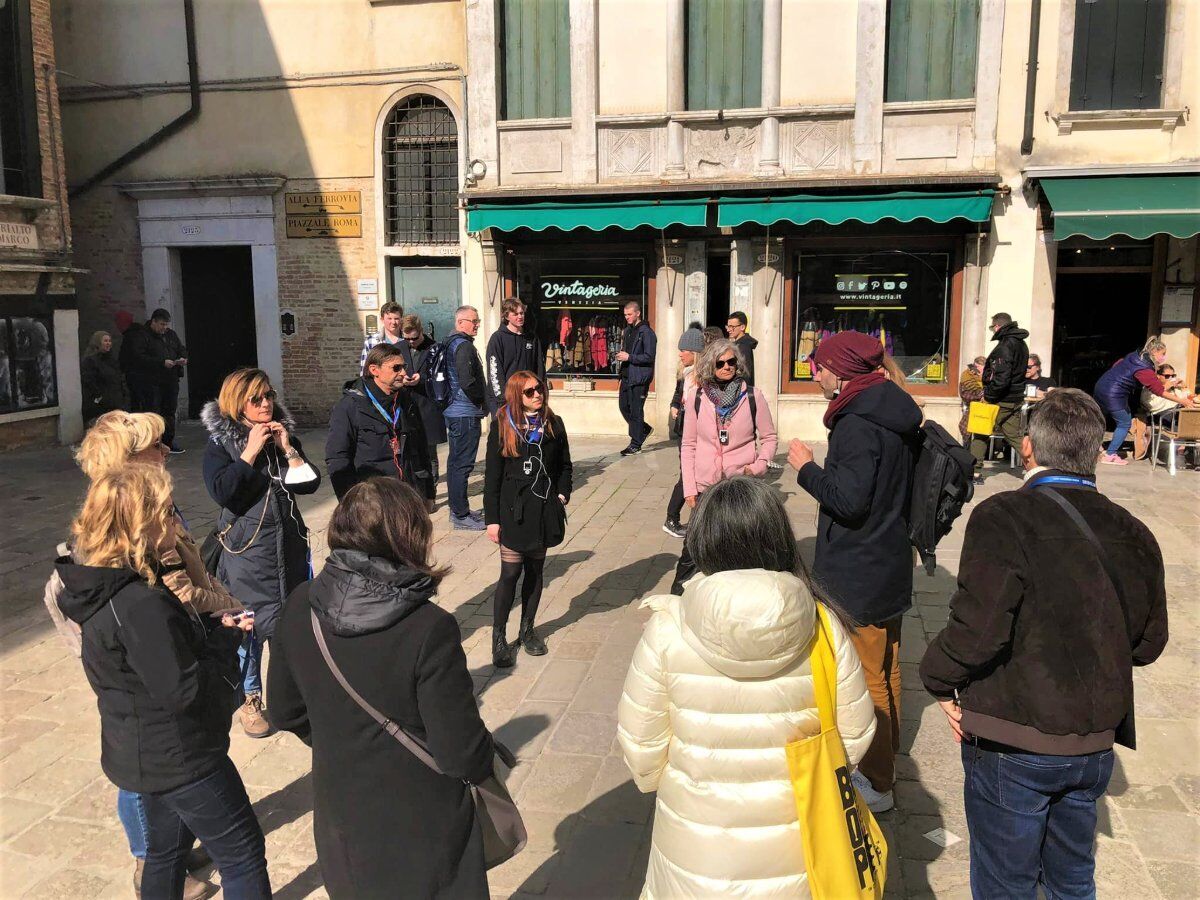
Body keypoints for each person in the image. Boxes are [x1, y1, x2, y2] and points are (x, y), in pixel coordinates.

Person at [920, 388, 1168, 899]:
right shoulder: (1136, 532)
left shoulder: (1004, 516)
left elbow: (977, 632)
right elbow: (1147, 644)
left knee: (1005, 883)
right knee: (1073, 880)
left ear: (1028, 448)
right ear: (1094, 451)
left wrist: (937, 679)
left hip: (1016, 736)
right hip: (1093, 742)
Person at [618, 477, 876, 899]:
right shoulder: (823, 624)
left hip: (695, 852)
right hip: (801, 850)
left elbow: (642, 755)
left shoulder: (667, 629)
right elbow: (856, 736)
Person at [268, 478, 497, 899]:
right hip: (422, 821)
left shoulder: (300, 603)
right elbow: (460, 753)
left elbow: (283, 710)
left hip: (342, 816)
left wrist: (343, 740)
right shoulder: (429, 628)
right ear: (411, 537)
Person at [43, 411, 239, 900]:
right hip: (149, 657)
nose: (166, 452)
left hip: (164, 643)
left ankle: (169, 845)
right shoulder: (129, 522)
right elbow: (173, 593)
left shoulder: (152, 508)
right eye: (155, 447)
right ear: (128, 462)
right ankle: (147, 858)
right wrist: (228, 613)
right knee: (142, 762)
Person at [787, 330, 921, 813]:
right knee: (886, 667)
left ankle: (877, 780)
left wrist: (806, 468)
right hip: (888, 559)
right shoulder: (891, 406)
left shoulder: (858, 422)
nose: (814, 373)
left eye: (818, 366)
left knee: (868, 676)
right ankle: (885, 764)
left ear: (839, 371)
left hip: (860, 568)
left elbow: (849, 500)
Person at [202, 368, 321, 737]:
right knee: (250, 628)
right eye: (256, 399)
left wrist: (289, 451)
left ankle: (294, 693)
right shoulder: (221, 445)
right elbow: (224, 492)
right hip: (246, 552)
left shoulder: (282, 436)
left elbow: (311, 485)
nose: (266, 403)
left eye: (269, 395)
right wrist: (250, 453)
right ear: (238, 403)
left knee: (289, 622)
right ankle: (250, 697)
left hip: (287, 547)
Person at [671, 339, 777, 594]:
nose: (728, 367)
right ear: (710, 365)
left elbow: (770, 438)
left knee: (742, 548)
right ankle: (678, 599)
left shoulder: (753, 396)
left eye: (732, 362)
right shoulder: (697, 396)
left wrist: (758, 466)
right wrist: (689, 488)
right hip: (705, 486)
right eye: (721, 363)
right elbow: (688, 445)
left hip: (740, 485)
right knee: (694, 549)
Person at [483, 371, 573, 667]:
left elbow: (565, 466)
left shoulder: (553, 423)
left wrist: (561, 496)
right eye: (531, 392)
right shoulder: (503, 425)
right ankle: (499, 637)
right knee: (510, 574)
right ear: (516, 396)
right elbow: (492, 478)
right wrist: (492, 520)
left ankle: (527, 630)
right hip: (513, 511)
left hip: (543, 510)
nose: (539, 395)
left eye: (541, 389)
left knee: (535, 572)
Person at [326, 343, 431, 501]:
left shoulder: (406, 400)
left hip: (407, 494)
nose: (403, 373)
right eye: (396, 368)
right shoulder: (349, 406)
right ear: (375, 370)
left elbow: (421, 447)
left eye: (404, 366)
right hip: (372, 499)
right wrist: (348, 502)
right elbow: (337, 458)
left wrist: (428, 494)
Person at [1093, 336, 1195, 465]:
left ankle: (1094, 446)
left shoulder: (1135, 356)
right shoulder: (1144, 368)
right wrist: (1182, 401)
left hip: (1102, 385)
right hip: (1114, 393)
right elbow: (1159, 391)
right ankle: (1110, 455)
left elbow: (1118, 363)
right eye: (1162, 354)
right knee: (1124, 423)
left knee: (1100, 419)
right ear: (1154, 352)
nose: (1163, 357)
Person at [443, 305, 487, 530]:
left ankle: (458, 509)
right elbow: (467, 381)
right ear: (460, 323)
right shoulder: (463, 347)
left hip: (455, 411)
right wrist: (482, 400)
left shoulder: (451, 342)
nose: (477, 324)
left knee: (455, 463)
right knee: (462, 464)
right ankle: (460, 516)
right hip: (464, 413)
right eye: (473, 320)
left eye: (477, 320)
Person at [969, 312, 1029, 476]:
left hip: (1000, 398)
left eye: (992, 328)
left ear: (997, 326)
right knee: (1015, 436)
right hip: (1015, 398)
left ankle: (974, 471)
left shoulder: (1005, 346)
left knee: (981, 431)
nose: (992, 331)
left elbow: (1002, 378)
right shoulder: (1021, 343)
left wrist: (988, 395)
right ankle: (1037, 465)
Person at [397, 314, 447, 504]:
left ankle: (430, 494)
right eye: (407, 338)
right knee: (407, 451)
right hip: (405, 406)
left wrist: (422, 379)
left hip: (427, 406)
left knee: (429, 452)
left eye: (414, 338)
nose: (411, 342)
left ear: (422, 332)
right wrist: (403, 380)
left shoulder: (434, 348)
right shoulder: (399, 348)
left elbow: (441, 378)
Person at [663, 327, 706, 538]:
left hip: (699, 432)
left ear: (695, 352)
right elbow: (677, 394)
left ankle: (692, 519)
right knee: (688, 474)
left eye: (684, 349)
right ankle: (672, 518)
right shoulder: (684, 372)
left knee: (694, 474)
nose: (680, 354)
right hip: (685, 432)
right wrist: (674, 405)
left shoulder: (703, 375)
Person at [128, 308, 188, 453]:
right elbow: (138, 357)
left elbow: (181, 348)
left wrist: (182, 358)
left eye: (166, 325)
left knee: (170, 411)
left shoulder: (171, 335)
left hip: (171, 379)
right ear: (153, 322)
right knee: (153, 412)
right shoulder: (142, 336)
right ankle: (154, 443)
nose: (164, 328)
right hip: (151, 381)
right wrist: (161, 362)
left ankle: (168, 441)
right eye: (162, 324)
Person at [485, 297, 544, 414]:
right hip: (506, 401)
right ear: (506, 316)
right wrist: (502, 399)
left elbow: (539, 368)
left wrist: (541, 391)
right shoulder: (498, 339)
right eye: (515, 314)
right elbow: (494, 372)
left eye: (522, 313)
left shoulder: (531, 338)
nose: (520, 317)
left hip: (529, 398)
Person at [617, 300, 657, 456]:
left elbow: (649, 356)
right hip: (627, 376)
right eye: (625, 315)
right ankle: (643, 429)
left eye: (629, 314)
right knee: (623, 407)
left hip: (639, 378)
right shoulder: (627, 331)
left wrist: (630, 357)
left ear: (638, 313)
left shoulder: (647, 333)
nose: (627, 317)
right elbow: (627, 354)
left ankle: (635, 444)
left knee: (636, 411)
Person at [80, 330, 128, 425]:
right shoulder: (90, 361)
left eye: (109, 341)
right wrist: (100, 397)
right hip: (100, 406)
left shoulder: (112, 360)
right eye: (105, 341)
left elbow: (118, 378)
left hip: (116, 403)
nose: (108, 343)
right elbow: (89, 381)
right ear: (97, 342)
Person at [358, 300, 404, 372]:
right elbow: (365, 369)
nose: (393, 322)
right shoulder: (371, 341)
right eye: (389, 318)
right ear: (382, 320)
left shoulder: (408, 339)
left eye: (396, 318)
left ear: (401, 319)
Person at [958, 355, 987, 446]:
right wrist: (980, 395)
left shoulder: (990, 377)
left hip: (988, 408)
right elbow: (965, 395)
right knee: (968, 424)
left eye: (981, 368)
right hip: (973, 407)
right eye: (976, 367)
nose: (977, 370)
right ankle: (969, 449)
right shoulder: (967, 376)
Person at [724, 310, 757, 386]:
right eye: (728, 326)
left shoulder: (743, 346)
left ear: (742, 327)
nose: (728, 330)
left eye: (732, 327)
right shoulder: (738, 344)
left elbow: (745, 374)